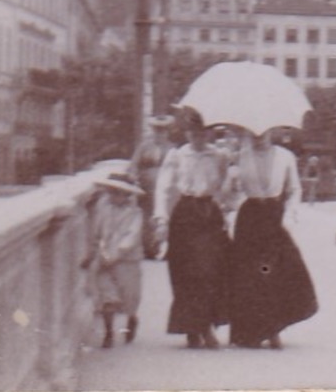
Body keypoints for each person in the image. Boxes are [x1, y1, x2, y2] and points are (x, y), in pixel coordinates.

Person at [225, 129, 318, 349]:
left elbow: (295, 189)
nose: (259, 137)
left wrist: (290, 214)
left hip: (275, 215)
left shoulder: (285, 156)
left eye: (263, 133)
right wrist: (232, 180)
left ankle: (274, 328)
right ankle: (253, 332)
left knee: (276, 270)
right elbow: (230, 193)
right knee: (250, 274)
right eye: (254, 133)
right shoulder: (239, 157)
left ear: (272, 132)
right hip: (250, 218)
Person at [153, 107, 231, 349]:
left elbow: (224, 186)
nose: (197, 137)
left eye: (202, 132)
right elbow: (163, 187)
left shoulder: (219, 156)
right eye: (192, 132)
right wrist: (161, 218)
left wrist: (226, 205)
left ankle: (206, 326)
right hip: (185, 215)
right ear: (186, 133)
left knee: (210, 270)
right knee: (186, 272)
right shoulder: (177, 156)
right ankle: (191, 327)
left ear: (208, 134)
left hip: (209, 215)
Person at [84, 171, 146, 348]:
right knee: (107, 297)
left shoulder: (135, 213)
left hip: (127, 260)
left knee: (129, 297)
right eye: (111, 192)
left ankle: (131, 319)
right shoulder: (103, 210)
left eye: (118, 193)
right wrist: (93, 253)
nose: (114, 196)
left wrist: (117, 254)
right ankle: (108, 332)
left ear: (127, 195)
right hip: (105, 258)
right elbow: (95, 233)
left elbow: (131, 237)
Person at [129, 113, 175, 258]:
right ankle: (149, 248)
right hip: (146, 188)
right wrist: (133, 177)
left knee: (164, 216)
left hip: (166, 189)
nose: (159, 133)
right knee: (146, 216)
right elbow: (134, 165)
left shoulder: (172, 149)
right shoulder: (144, 147)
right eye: (157, 130)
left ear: (167, 132)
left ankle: (165, 247)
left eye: (163, 130)